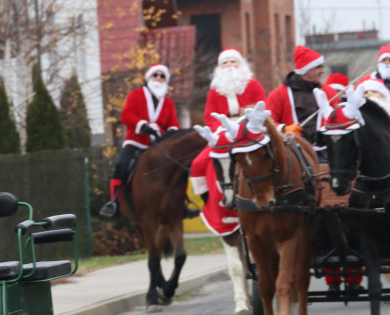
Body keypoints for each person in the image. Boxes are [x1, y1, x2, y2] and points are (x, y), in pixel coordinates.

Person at [100, 63, 179, 218]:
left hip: (159, 143)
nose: (158, 78)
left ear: (166, 80)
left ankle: (183, 203)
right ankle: (114, 201)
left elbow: (173, 123)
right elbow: (126, 115)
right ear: (149, 77)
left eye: (162, 76)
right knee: (121, 164)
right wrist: (142, 125)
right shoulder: (136, 95)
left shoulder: (168, 103)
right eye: (155, 75)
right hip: (137, 140)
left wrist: (171, 133)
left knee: (177, 167)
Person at [188, 47, 267, 201]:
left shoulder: (253, 85)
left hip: (248, 128)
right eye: (225, 63)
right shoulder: (214, 90)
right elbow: (209, 115)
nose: (229, 65)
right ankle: (207, 199)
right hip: (223, 131)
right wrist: (219, 130)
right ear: (219, 67)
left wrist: (251, 124)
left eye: (233, 61)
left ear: (240, 64)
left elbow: (262, 106)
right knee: (198, 163)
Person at [265, 45, 336, 146]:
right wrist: (284, 129)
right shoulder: (278, 95)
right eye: (318, 67)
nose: (322, 71)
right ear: (305, 70)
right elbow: (268, 124)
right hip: (293, 155)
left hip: (327, 154)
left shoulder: (330, 92)